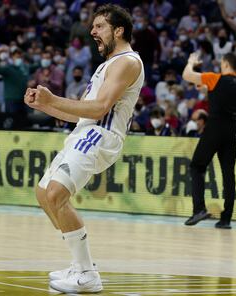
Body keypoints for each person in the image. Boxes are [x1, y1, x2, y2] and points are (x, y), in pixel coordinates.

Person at [24, 4, 144, 294]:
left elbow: (101, 108)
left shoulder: (127, 62)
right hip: (85, 130)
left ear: (119, 30)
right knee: (44, 195)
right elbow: (81, 113)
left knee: (57, 193)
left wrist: (53, 99)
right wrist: (45, 104)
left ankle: (88, 273)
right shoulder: (108, 64)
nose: (92, 31)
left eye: (100, 26)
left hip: (100, 135)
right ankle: (79, 266)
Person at [182, 52, 236, 229]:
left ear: (225, 63)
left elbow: (187, 75)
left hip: (214, 128)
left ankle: (199, 209)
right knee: (228, 175)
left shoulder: (214, 78)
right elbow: (228, 101)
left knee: (197, 166)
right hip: (231, 131)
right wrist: (206, 89)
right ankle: (226, 219)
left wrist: (191, 62)